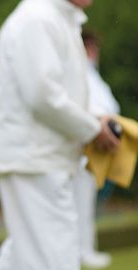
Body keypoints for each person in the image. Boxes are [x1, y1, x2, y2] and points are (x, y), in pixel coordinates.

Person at [0, 0, 119, 269]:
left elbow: (61, 91)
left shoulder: (59, 19)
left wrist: (96, 118)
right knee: (54, 261)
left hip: (45, 158)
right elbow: (42, 96)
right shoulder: (38, 19)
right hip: (33, 159)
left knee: (22, 259)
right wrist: (93, 129)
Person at [73, 28, 120, 269]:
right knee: (78, 206)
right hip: (80, 151)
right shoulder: (79, 73)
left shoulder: (91, 74)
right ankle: (82, 252)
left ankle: (86, 250)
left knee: (85, 205)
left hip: (93, 149)